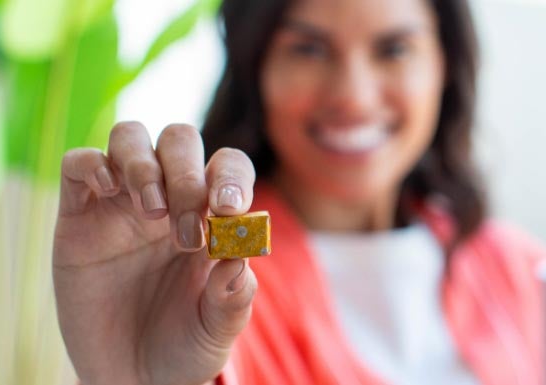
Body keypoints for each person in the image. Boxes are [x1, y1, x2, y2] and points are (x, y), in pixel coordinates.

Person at [52, 0, 546, 383]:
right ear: (255, 70)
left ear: (446, 65)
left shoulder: (515, 265)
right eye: (308, 49)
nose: (353, 95)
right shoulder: (194, 277)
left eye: (394, 49)